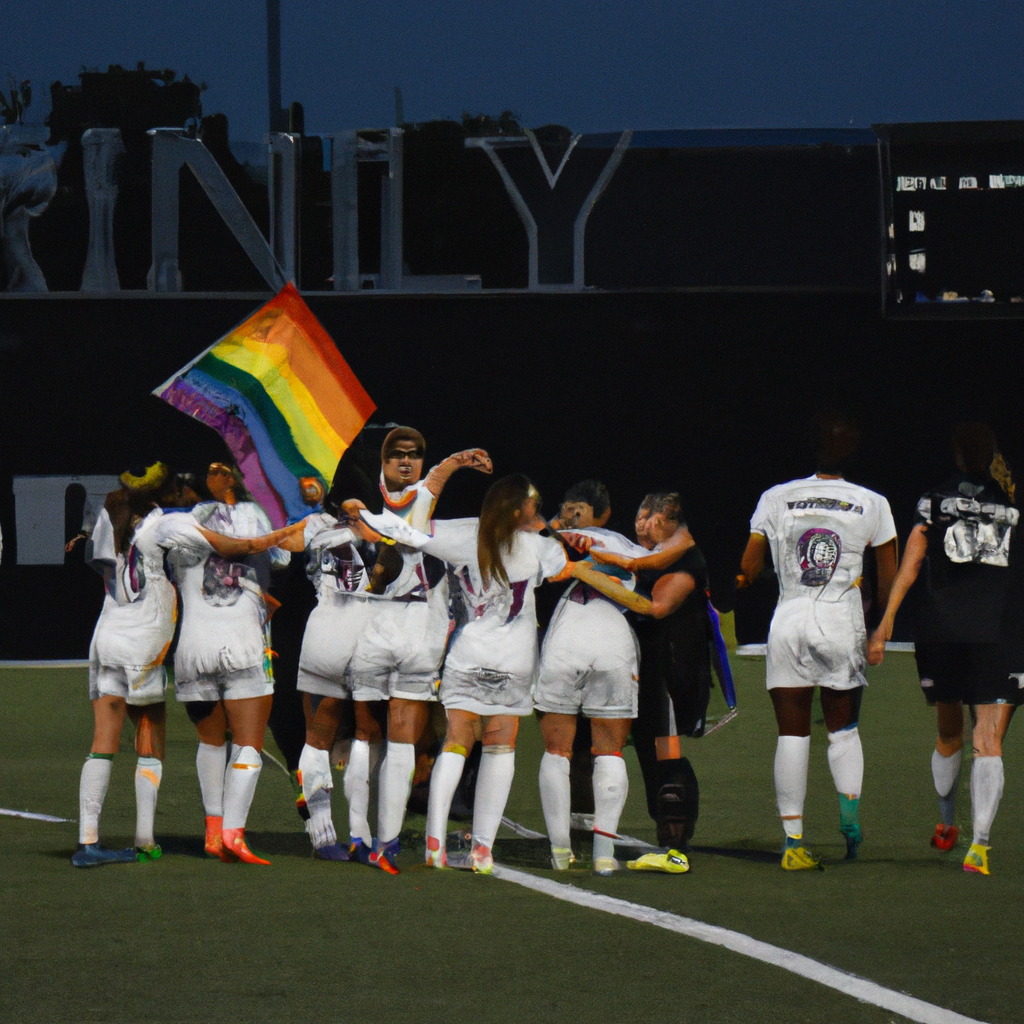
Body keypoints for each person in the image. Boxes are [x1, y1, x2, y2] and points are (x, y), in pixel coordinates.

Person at [295, 427, 492, 872]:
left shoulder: (333, 525)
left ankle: (347, 835)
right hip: (372, 630)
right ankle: (366, 837)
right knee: (366, 733)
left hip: (359, 631)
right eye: (396, 456)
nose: (405, 462)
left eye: (413, 455)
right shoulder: (382, 519)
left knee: (356, 733)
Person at [73, 465, 291, 867]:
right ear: (165, 493)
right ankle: (145, 839)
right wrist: (281, 534)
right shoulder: (166, 524)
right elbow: (234, 549)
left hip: (105, 633)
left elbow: (95, 561)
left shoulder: (110, 517)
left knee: (102, 743)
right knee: (149, 742)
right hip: (143, 642)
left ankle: (88, 842)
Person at [738, 413, 897, 870]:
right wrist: (882, 629)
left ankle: (793, 841)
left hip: (788, 620)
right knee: (842, 729)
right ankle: (849, 824)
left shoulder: (776, 496)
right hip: (840, 623)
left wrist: (733, 585)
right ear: (853, 451)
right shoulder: (873, 502)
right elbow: (887, 577)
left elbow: (748, 567)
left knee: (792, 732)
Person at [869, 424, 1019, 875]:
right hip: (1000, 631)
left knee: (949, 732)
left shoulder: (932, 500)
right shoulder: (1013, 501)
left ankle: (947, 823)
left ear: (957, 455)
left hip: (943, 630)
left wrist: (886, 622)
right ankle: (980, 846)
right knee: (987, 742)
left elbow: (911, 564)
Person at [534, 480, 691, 874]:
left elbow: (534, 535)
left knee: (557, 751)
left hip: (565, 641)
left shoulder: (570, 536)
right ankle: (604, 856)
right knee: (610, 752)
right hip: (614, 645)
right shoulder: (640, 553)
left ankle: (558, 852)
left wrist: (560, 520)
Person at [169, 461, 295, 865]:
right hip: (243, 642)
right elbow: (282, 559)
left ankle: (212, 831)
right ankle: (233, 835)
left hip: (193, 646)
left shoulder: (179, 524)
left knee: (210, 742)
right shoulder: (255, 515)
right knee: (248, 747)